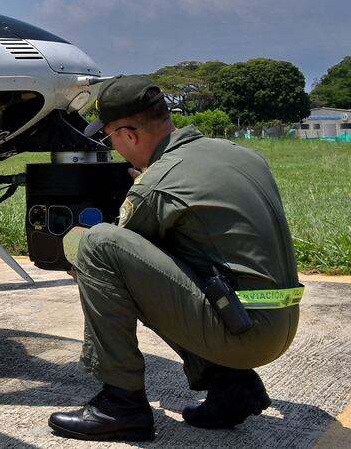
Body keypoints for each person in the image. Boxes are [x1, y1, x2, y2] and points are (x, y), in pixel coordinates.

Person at [49, 75, 301, 441]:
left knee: (97, 247)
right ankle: (231, 385)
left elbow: (117, 259)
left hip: (244, 333)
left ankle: (121, 405)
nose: (114, 148)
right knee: (165, 262)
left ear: (130, 134)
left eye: (111, 138)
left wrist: (87, 264)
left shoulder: (158, 182)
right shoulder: (237, 153)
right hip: (276, 322)